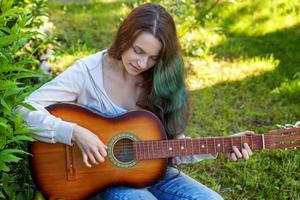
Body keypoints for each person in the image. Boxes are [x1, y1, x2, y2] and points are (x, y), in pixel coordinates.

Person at [18, 3, 254, 200]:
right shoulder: (86, 72)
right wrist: (75, 132)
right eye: (138, 51)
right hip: (100, 180)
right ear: (124, 37)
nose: (142, 64)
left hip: (154, 172)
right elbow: (22, 110)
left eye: (153, 57)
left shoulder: (160, 79)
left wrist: (223, 146)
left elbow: (170, 147)